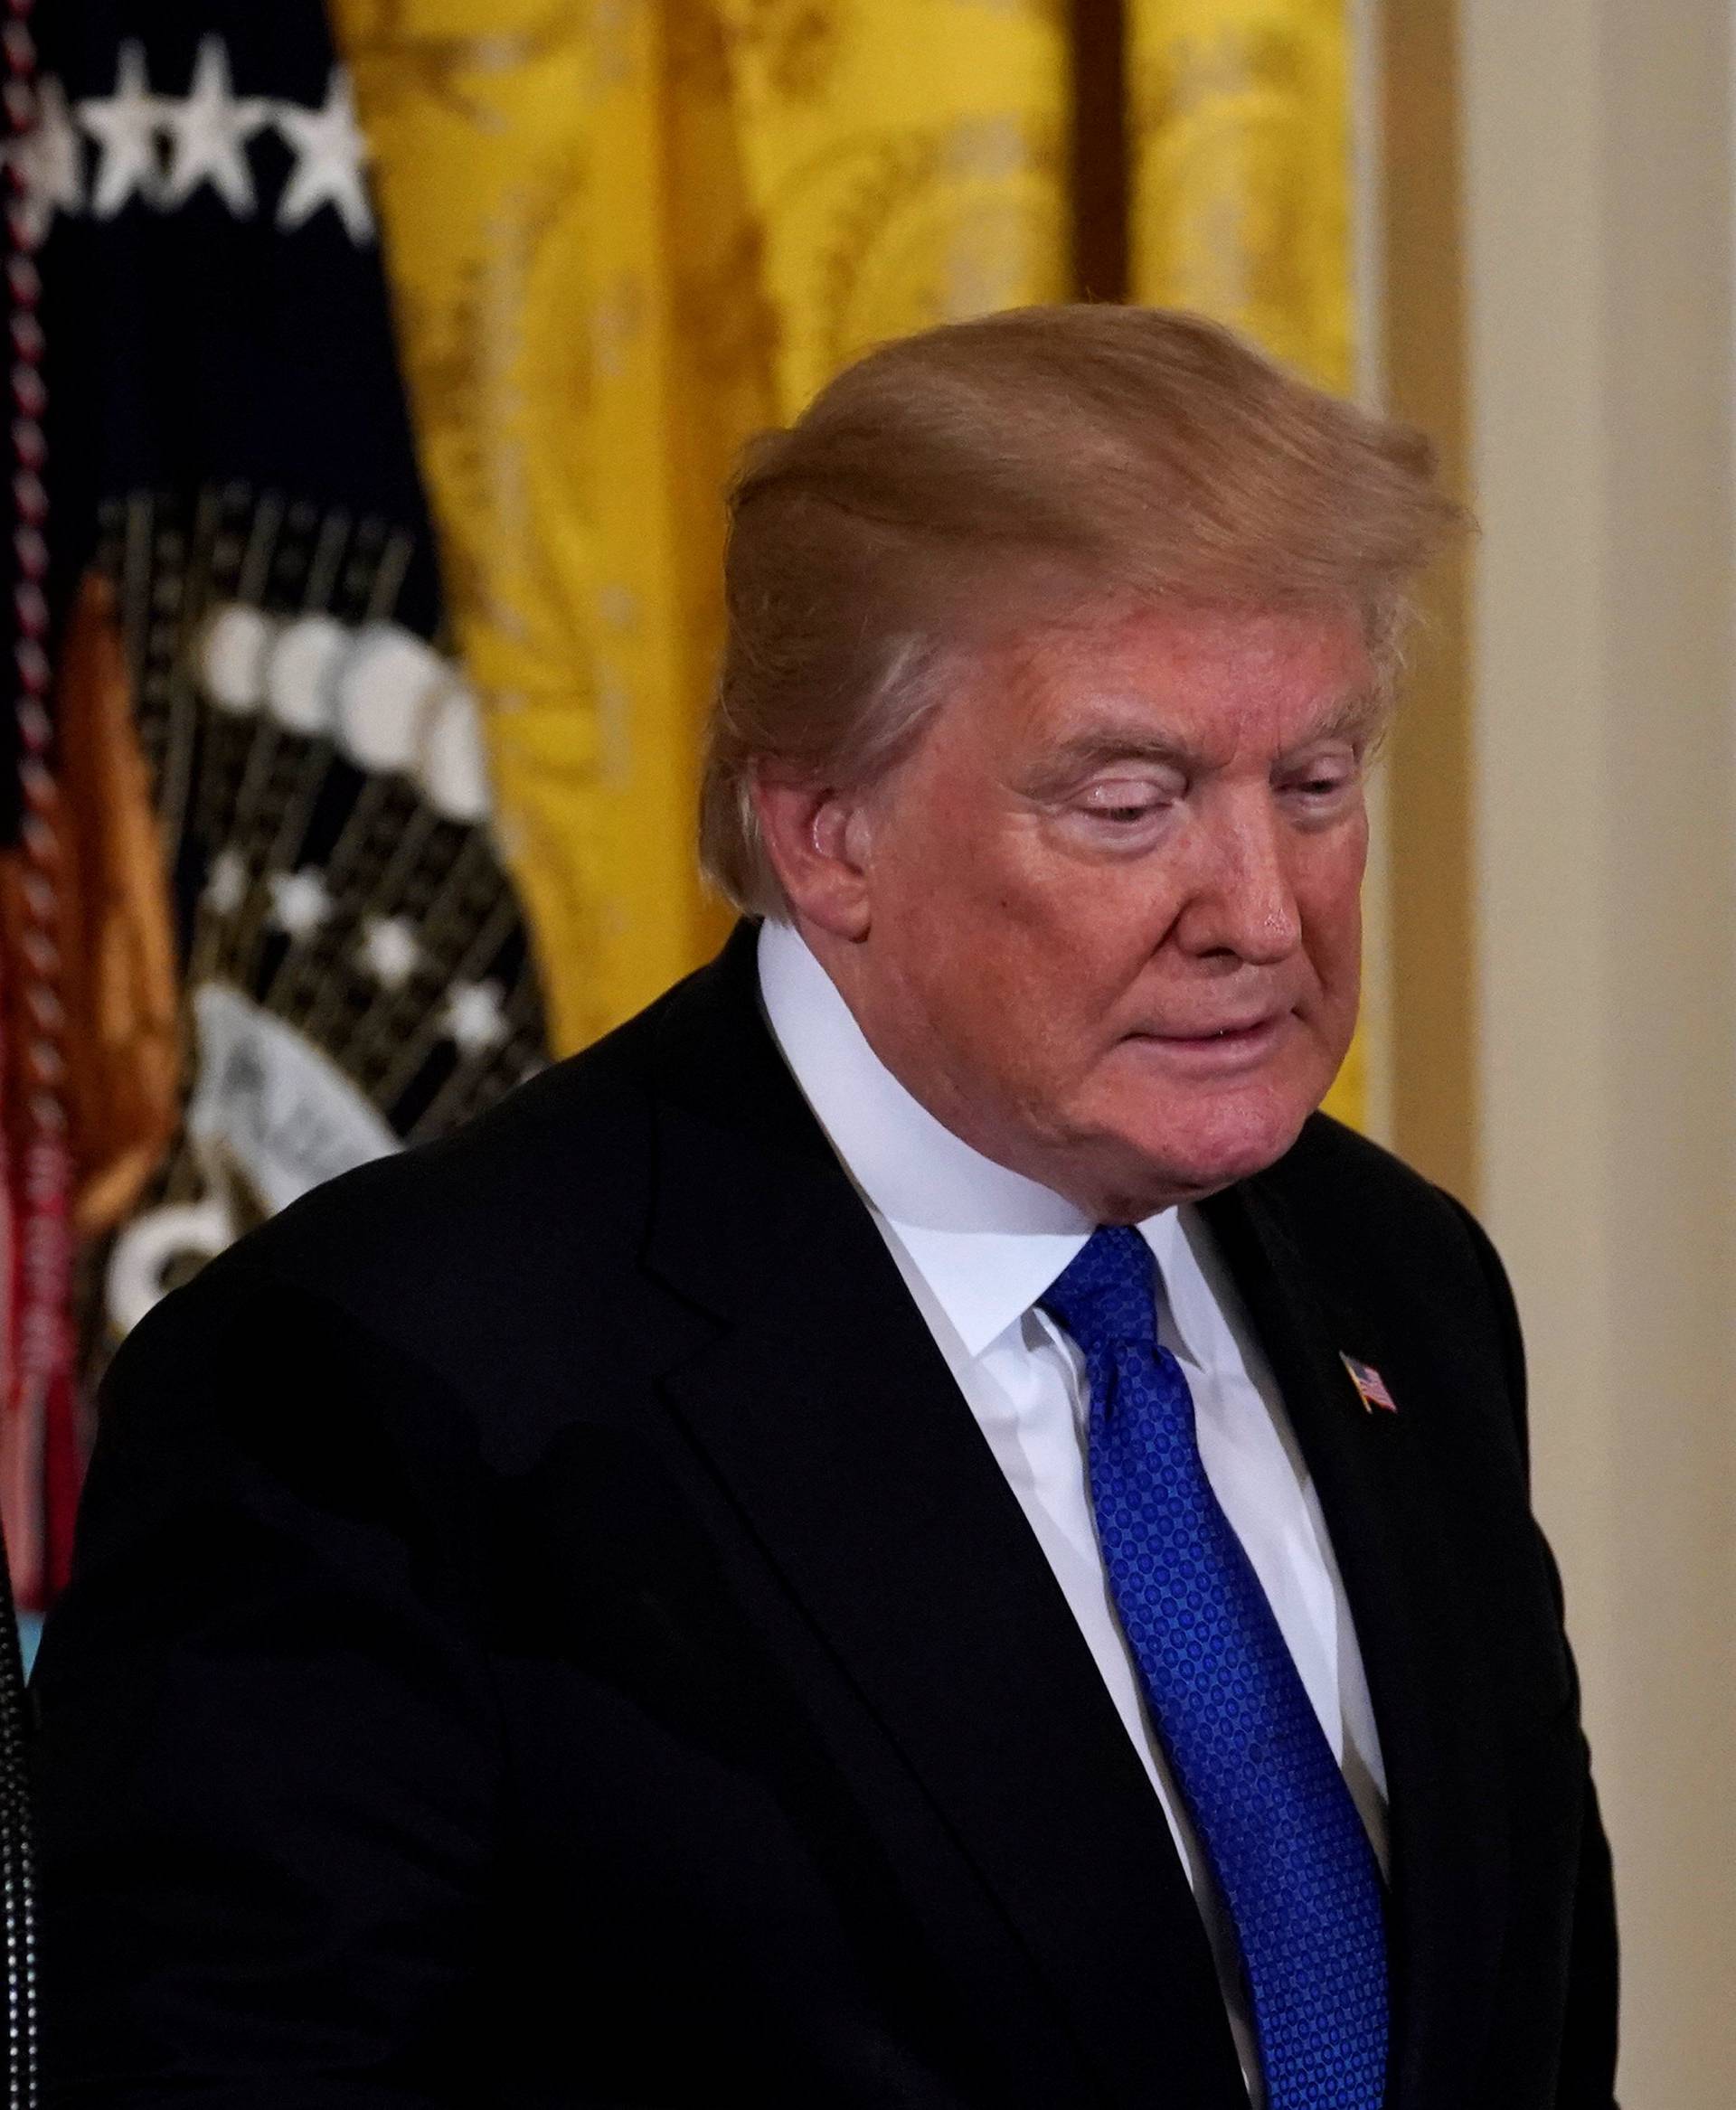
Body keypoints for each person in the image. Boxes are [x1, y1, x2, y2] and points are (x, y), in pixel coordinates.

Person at [31, 306, 1617, 2109]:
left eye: (1315, 785)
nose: (1261, 908)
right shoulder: (385, 1384)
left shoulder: (1402, 1278)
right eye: (1130, 801)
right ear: (829, 834)